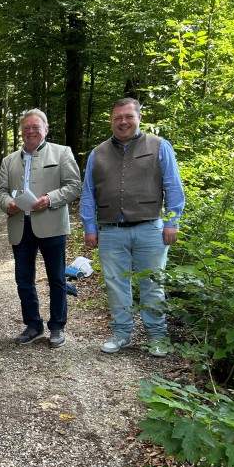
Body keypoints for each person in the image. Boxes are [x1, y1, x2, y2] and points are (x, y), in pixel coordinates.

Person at [80, 97, 185, 357]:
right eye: (118, 118)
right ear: (111, 121)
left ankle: (157, 336)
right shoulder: (97, 153)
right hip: (110, 230)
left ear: (139, 117)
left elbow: (173, 186)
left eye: (128, 116)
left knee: (153, 283)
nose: (123, 122)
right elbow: (88, 193)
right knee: (115, 284)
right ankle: (121, 333)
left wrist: (172, 222)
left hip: (150, 228)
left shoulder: (159, 146)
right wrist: (90, 227)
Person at [0, 109, 81, 349]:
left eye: (36, 127)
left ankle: (57, 326)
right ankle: (33, 324)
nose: (31, 131)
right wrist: (8, 204)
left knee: (56, 278)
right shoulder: (9, 160)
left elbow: (74, 186)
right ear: (21, 131)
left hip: (51, 224)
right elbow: (1, 191)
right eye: (26, 128)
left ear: (45, 129)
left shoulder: (61, 152)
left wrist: (50, 199)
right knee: (24, 279)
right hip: (20, 225)